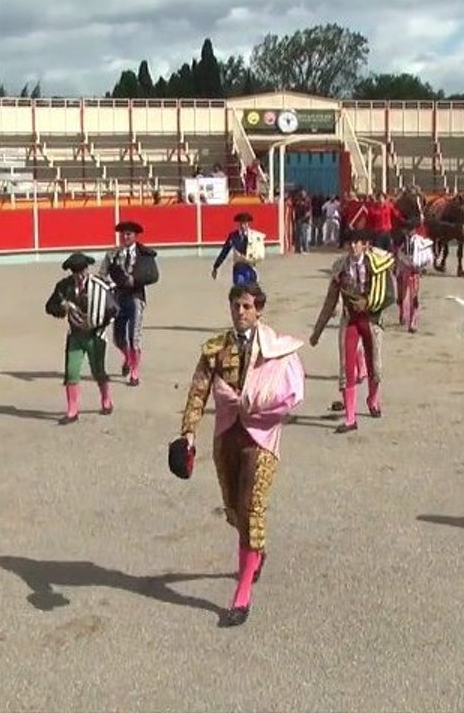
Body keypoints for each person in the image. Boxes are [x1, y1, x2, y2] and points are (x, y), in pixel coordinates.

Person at [172, 282, 305, 627]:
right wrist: (188, 433)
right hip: (227, 437)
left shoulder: (276, 348)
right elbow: (198, 391)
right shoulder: (216, 348)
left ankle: (241, 596)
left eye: (247, 306)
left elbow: (287, 394)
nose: (241, 312)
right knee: (234, 508)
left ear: (259, 309)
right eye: (236, 306)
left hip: (261, 439)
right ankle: (255, 551)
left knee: (252, 506)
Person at [310, 229, 396, 433]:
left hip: (372, 319)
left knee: (375, 366)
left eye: (358, 242)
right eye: (350, 242)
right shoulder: (340, 268)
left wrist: (368, 303)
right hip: (350, 320)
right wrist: (317, 331)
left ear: (365, 245)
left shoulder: (377, 264)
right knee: (346, 368)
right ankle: (350, 418)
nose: (353, 246)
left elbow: (389, 295)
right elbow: (330, 301)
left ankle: (372, 400)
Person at [45, 252, 118, 424]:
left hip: (95, 335)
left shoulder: (99, 285)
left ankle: (106, 399)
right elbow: (50, 306)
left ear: (87, 268)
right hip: (75, 335)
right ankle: (72, 410)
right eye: (75, 271)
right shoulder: (64, 286)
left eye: (81, 270)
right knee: (71, 372)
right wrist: (62, 308)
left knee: (98, 371)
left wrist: (102, 321)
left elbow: (113, 308)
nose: (79, 274)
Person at [99, 220, 160, 386]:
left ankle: (134, 372)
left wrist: (135, 279)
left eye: (128, 234)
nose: (125, 237)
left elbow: (153, 275)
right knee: (118, 338)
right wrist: (111, 285)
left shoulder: (144, 254)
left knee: (134, 337)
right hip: (118, 298)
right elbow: (102, 274)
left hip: (136, 298)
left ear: (135, 236)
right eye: (123, 234)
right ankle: (128, 358)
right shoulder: (112, 254)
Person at [212, 212, 265, 285]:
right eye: (241, 223)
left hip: (250, 266)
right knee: (240, 290)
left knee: (252, 290)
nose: (243, 226)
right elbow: (224, 252)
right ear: (238, 224)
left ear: (248, 224)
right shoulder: (233, 236)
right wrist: (216, 266)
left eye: (245, 223)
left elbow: (259, 253)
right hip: (238, 267)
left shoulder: (254, 237)